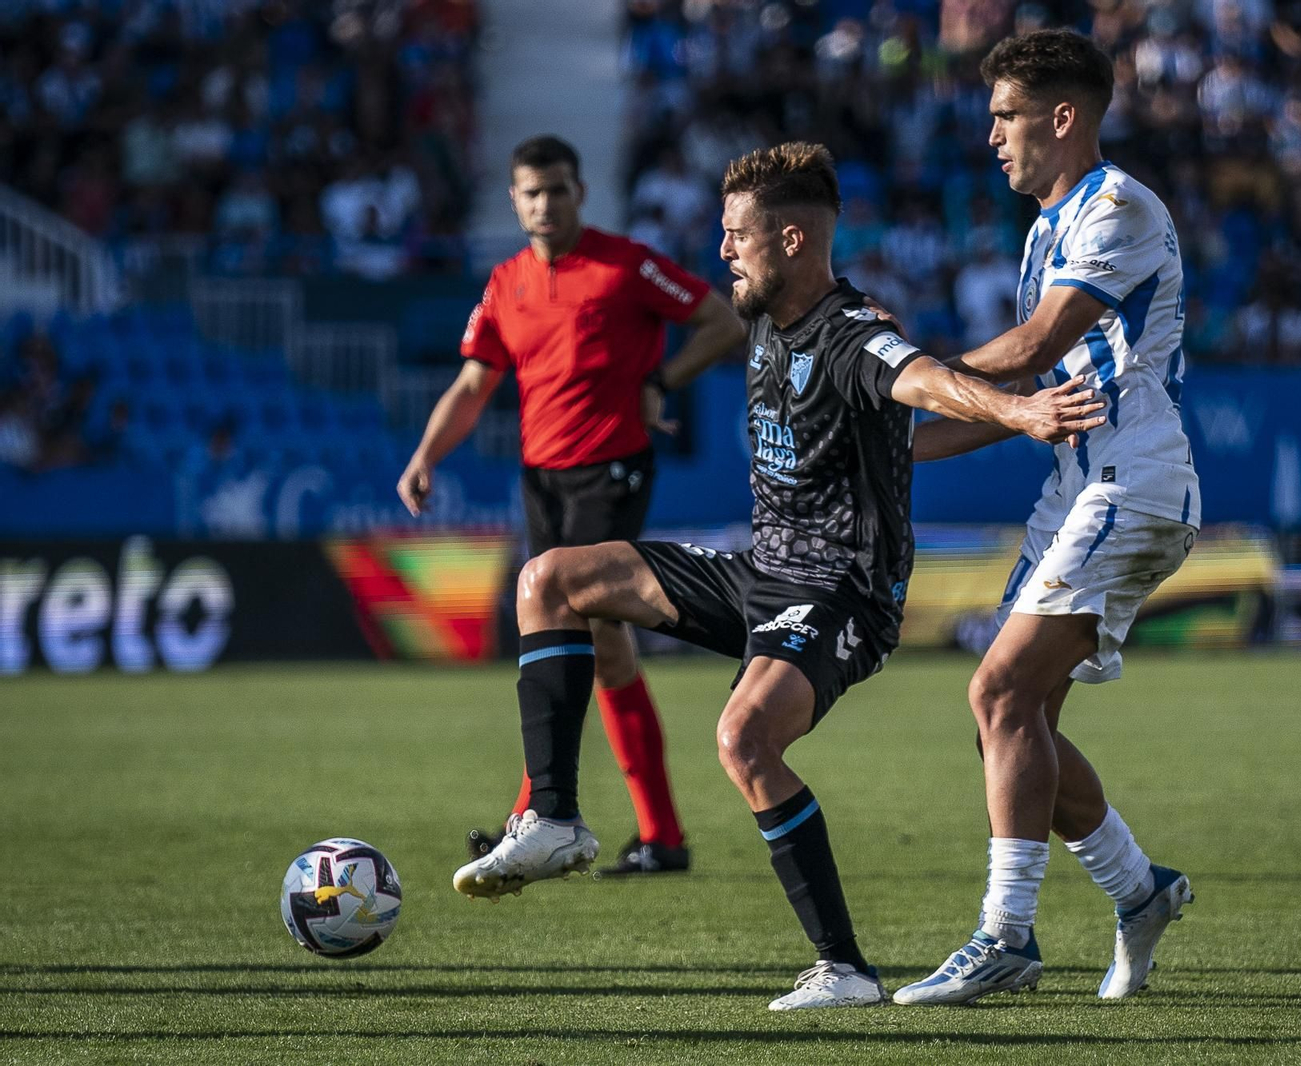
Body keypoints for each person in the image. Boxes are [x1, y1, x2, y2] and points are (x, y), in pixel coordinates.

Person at [449, 142, 1106, 1010]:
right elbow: (909, 434)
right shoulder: (762, 318)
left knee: (743, 740)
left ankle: (844, 969)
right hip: (764, 571)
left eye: (737, 236)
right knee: (550, 582)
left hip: (842, 594)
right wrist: (1010, 415)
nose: (722, 250)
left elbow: (923, 381)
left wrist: (1020, 409)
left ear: (793, 241)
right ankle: (556, 819)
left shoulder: (850, 332)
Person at [894, 28, 1201, 1006]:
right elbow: (1023, 401)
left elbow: (1031, 348)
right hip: (1073, 479)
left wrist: (891, 379)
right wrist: (880, 447)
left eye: (1005, 116)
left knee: (997, 693)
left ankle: (1006, 937)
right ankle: (1136, 888)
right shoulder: (1042, 230)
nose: (991, 136)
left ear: (1061, 118)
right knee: (1007, 722)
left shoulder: (1118, 207)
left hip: (1131, 475)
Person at [397, 135, 747, 877]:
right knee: (598, 642)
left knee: (575, 624)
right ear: (515, 200)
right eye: (531, 192)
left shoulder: (626, 265)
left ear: (579, 192)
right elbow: (472, 386)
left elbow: (723, 323)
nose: (545, 203)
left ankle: (540, 817)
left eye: (557, 189)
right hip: (542, 480)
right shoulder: (506, 284)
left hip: (612, 470)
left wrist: (661, 380)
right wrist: (427, 455)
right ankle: (654, 835)